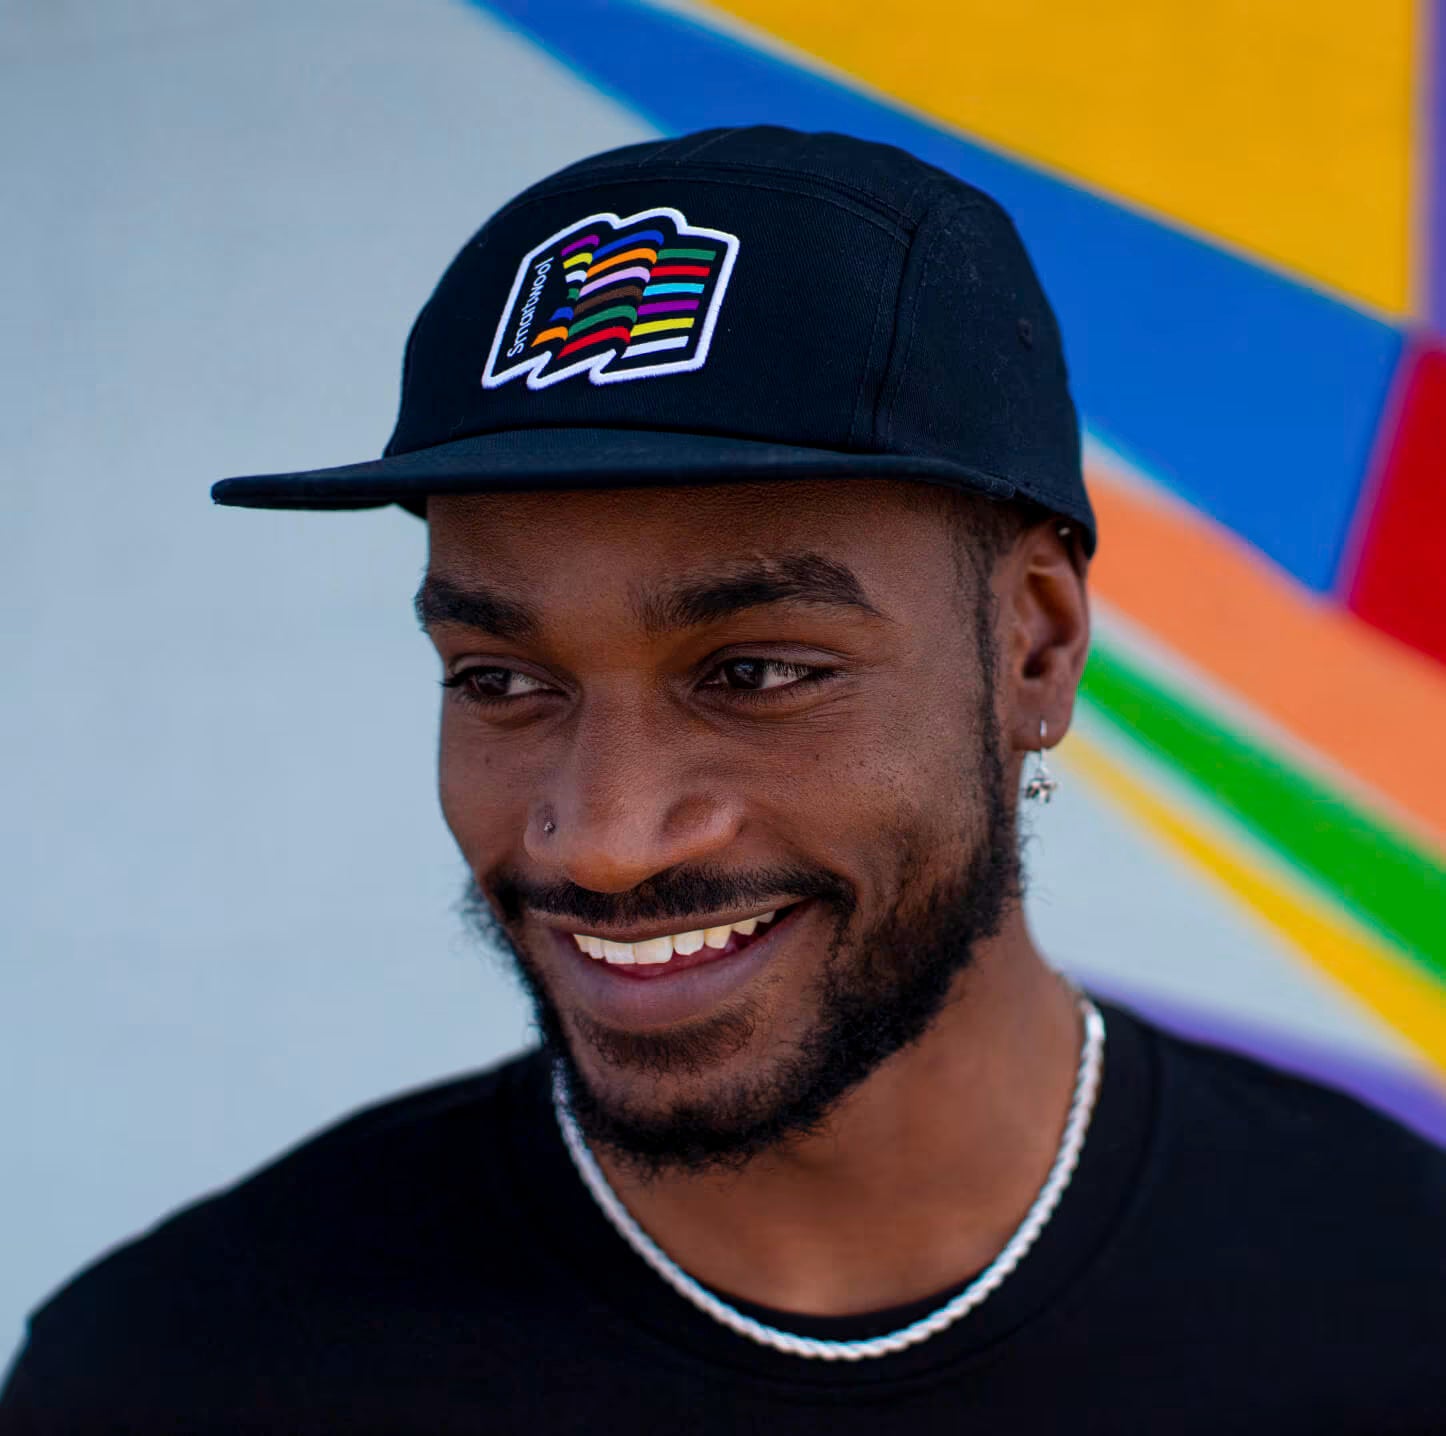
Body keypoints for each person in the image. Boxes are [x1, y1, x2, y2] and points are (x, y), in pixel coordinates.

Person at [3, 126, 1442, 1434]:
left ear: (1034, 646)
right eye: (499, 680)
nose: (605, 840)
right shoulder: (177, 1377)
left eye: (754, 671)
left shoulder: (1395, 1304)